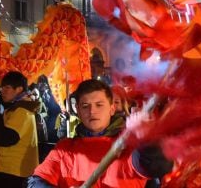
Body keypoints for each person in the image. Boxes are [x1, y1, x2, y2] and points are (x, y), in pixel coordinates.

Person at [28, 79, 172, 188]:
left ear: (112, 108)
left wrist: (146, 138)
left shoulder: (129, 144)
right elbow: (36, 181)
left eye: (99, 105)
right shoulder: (65, 148)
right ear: (77, 110)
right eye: (85, 106)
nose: (92, 111)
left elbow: (157, 165)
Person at [0, 71, 39, 187]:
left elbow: (5, 138)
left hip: (15, 172)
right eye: (2, 88)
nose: (2, 91)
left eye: (7, 88)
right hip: (10, 170)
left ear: (19, 89)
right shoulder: (16, 108)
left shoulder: (22, 111)